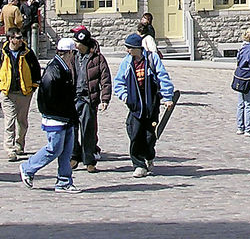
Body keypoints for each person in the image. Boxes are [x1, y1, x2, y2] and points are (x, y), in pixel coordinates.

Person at [20, 38, 80, 193]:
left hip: (66, 116)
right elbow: (46, 97)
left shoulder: (64, 67)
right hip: (56, 117)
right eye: (74, 53)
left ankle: (64, 181)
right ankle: (28, 167)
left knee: (66, 151)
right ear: (69, 53)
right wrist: (55, 113)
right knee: (54, 149)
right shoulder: (53, 70)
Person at [113, 33, 175, 178]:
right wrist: (125, 97)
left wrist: (167, 97)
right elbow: (119, 82)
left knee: (149, 136)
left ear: (137, 48)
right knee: (134, 134)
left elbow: (163, 77)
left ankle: (149, 155)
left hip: (151, 104)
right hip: (135, 104)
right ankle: (139, 165)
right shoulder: (127, 62)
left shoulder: (152, 59)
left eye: (129, 47)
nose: (127, 50)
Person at [0, 27, 41, 161]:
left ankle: (19, 144)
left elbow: (36, 69)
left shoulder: (28, 53)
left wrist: (34, 85)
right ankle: (10, 149)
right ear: (10, 39)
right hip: (8, 93)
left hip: (24, 92)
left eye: (21, 37)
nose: (20, 40)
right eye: (18, 38)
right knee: (9, 121)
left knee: (22, 121)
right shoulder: (2, 54)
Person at [70, 27, 111, 172]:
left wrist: (105, 98)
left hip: (88, 99)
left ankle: (89, 159)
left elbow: (105, 79)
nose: (75, 45)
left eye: (77, 42)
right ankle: (74, 156)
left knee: (88, 131)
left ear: (84, 44)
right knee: (72, 129)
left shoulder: (97, 58)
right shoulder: (72, 56)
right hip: (73, 98)